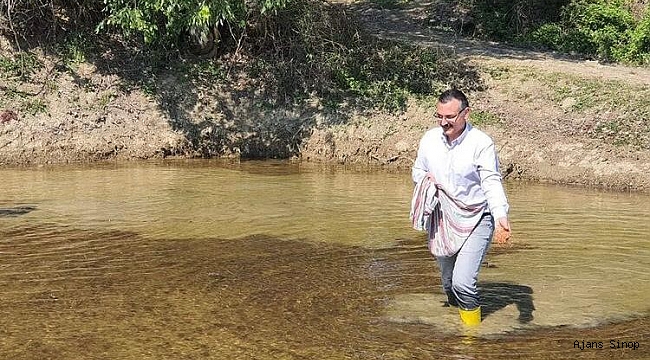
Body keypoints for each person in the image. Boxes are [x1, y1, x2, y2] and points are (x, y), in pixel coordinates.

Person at [411, 88, 511, 326]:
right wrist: (426, 181)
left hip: (478, 216)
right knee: (448, 284)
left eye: (450, 117)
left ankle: (471, 335)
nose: (443, 122)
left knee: (463, 283)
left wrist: (500, 216)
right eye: (439, 116)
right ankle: (456, 324)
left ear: (466, 113)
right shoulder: (429, 139)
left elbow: (490, 180)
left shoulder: (481, 143)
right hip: (443, 216)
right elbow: (418, 170)